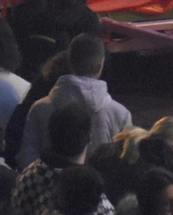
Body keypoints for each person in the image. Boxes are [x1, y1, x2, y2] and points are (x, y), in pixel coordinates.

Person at [18, 33, 132, 165]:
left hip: (49, 177)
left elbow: (26, 158)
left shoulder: (39, 108)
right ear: (99, 66)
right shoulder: (120, 113)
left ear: (69, 62)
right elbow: (127, 162)